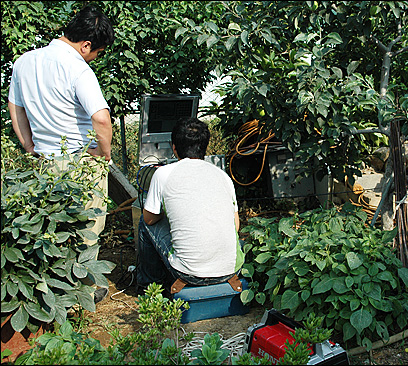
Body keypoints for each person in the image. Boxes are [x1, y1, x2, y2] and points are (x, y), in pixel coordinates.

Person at [8, 5, 115, 304]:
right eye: (97, 52)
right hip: (80, 161)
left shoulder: (24, 62)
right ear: (86, 45)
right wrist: (102, 153)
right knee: (88, 227)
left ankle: (53, 289)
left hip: (44, 161)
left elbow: (15, 108)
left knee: (51, 226)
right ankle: (81, 293)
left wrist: (30, 146)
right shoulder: (77, 67)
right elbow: (101, 118)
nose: (95, 58)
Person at [137, 117, 244, 295]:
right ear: (205, 147)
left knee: (143, 223)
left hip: (188, 273)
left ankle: (149, 287)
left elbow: (149, 219)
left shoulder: (163, 174)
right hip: (230, 270)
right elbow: (236, 225)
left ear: (174, 147)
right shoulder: (223, 176)